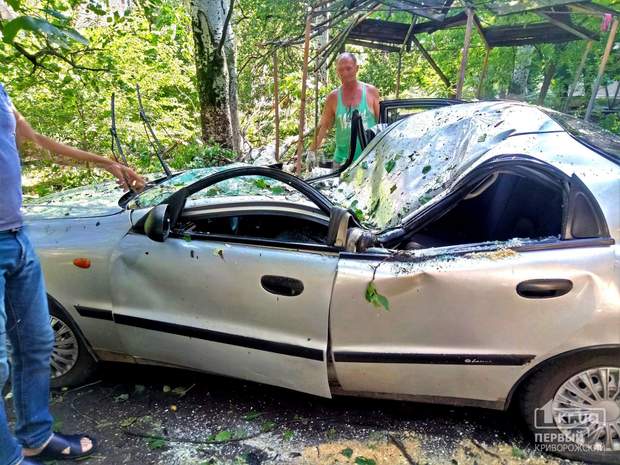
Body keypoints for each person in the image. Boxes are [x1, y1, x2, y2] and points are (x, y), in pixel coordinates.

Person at [0, 82, 144, 465]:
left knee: (36, 342)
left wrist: (106, 163)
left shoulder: (0, 91)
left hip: (16, 237)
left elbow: (33, 144)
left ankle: (35, 436)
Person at [308, 52, 380, 169]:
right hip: (342, 162)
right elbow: (323, 127)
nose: (345, 73)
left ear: (357, 68)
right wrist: (312, 151)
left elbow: (381, 123)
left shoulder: (370, 92)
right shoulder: (333, 97)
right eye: (341, 70)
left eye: (348, 68)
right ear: (337, 72)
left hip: (369, 160)